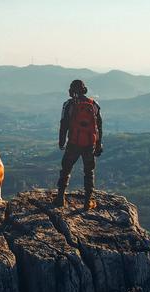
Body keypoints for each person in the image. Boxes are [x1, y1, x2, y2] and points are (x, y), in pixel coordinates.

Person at [53, 79, 103, 210]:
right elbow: (99, 126)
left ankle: (60, 197)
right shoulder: (94, 105)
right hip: (89, 144)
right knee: (89, 171)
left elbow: (63, 124)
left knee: (66, 169)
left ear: (71, 91)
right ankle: (88, 201)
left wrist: (61, 142)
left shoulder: (68, 105)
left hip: (74, 143)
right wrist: (98, 144)